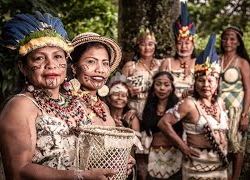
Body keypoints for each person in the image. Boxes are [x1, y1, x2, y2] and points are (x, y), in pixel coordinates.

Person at [0, 11, 118, 179]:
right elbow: (18, 171)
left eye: (58, 57)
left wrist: (114, 163)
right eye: (39, 58)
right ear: (23, 67)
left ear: (66, 64)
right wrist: (80, 176)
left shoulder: (76, 103)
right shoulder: (21, 106)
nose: (51, 65)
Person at [157, 34, 230, 179]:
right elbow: (163, 123)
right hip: (197, 165)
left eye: (210, 81)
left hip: (219, 163)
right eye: (201, 80)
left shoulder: (220, 103)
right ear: (195, 83)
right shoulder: (189, 103)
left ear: (217, 83)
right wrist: (183, 146)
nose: (206, 85)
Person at [67, 32, 136, 176]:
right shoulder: (67, 105)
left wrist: (122, 160)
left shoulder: (103, 107)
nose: (100, 69)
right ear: (74, 67)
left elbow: (105, 152)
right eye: (91, 62)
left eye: (105, 63)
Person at [121, 27, 163, 180]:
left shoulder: (161, 65)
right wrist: (127, 91)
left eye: (151, 44)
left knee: (156, 150)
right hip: (136, 109)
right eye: (144, 44)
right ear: (138, 46)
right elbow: (116, 89)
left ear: (155, 46)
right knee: (139, 151)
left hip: (156, 109)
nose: (147, 47)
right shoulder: (130, 66)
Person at [219, 26, 250, 180]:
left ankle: (235, 177)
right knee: (221, 143)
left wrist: (245, 115)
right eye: (225, 38)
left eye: (232, 38)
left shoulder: (242, 62)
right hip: (218, 109)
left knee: (236, 145)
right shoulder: (216, 58)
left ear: (239, 42)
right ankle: (222, 175)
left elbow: (248, 90)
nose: (228, 41)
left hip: (236, 110)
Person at [141, 71, 183, 180]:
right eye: (158, 84)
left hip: (175, 155)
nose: (162, 88)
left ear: (172, 88)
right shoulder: (147, 108)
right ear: (153, 86)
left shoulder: (179, 107)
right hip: (154, 156)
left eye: (166, 84)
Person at [159, 0, 196, 100]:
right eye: (180, 43)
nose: (183, 47)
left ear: (193, 44)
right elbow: (157, 86)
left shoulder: (199, 62)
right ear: (175, 45)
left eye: (187, 43)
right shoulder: (167, 63)